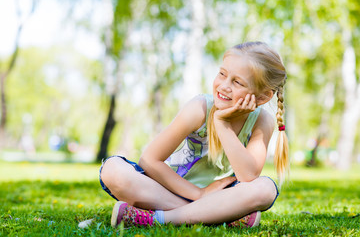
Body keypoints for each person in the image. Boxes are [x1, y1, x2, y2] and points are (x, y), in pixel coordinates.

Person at [99, 41, 289, 228]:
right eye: (222, 74)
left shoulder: (262, 121)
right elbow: (149, 160)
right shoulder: (199, 108)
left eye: (237, 82)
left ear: (263, 97)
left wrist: (222, 124)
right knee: (112, 169)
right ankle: (216, 216)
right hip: (165, 189)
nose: (224, 86)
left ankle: (158, 219)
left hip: (221, 196)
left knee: (266, 189)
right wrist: (199, 194)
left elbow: (248, 176)